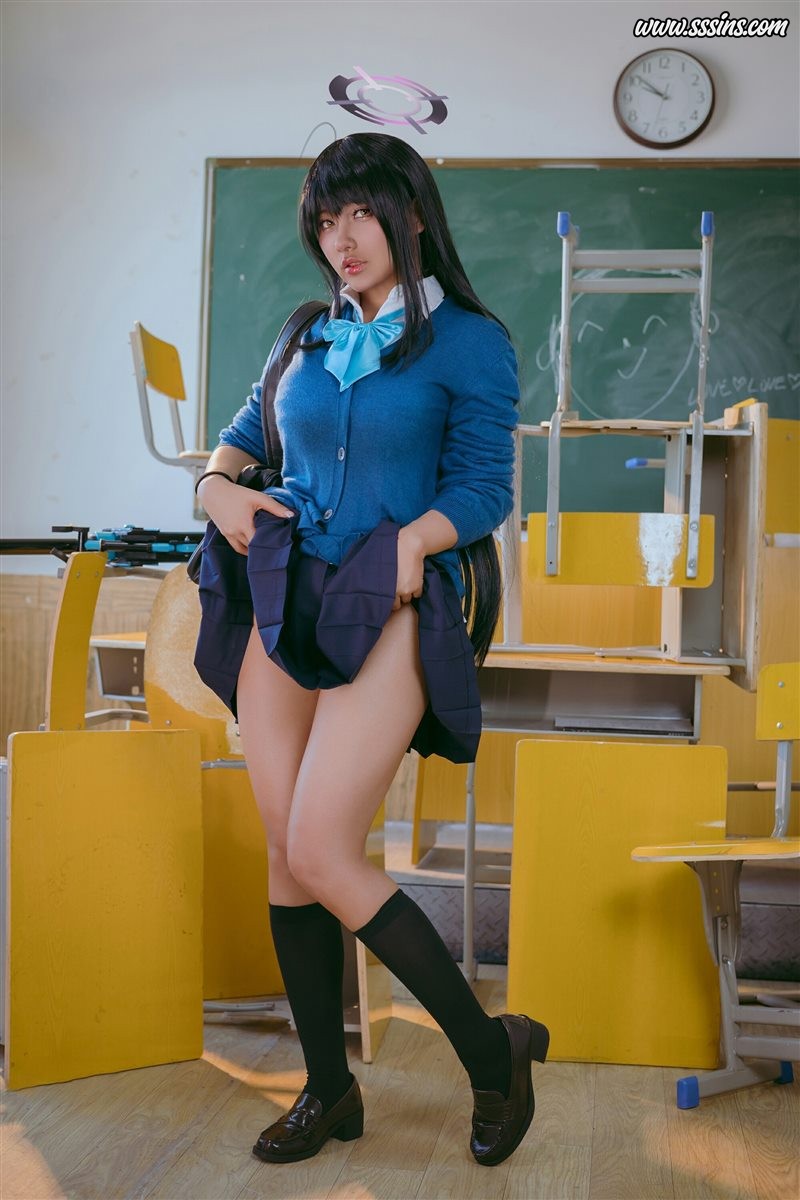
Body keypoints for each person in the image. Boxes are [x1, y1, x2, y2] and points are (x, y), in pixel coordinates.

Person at [193, 132, 549, 1169]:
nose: (340, 240)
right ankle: (330, 1088)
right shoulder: (304, 333)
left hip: (390, 604)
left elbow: (481, 487)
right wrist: (216, 491)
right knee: (286, 852)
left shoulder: (470, 341)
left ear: (410, 214)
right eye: (324, 220)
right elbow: (239, 439)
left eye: (358, 215)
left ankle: (489, 1053)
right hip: (284, 592)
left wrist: (414, 539)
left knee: (320, 848)